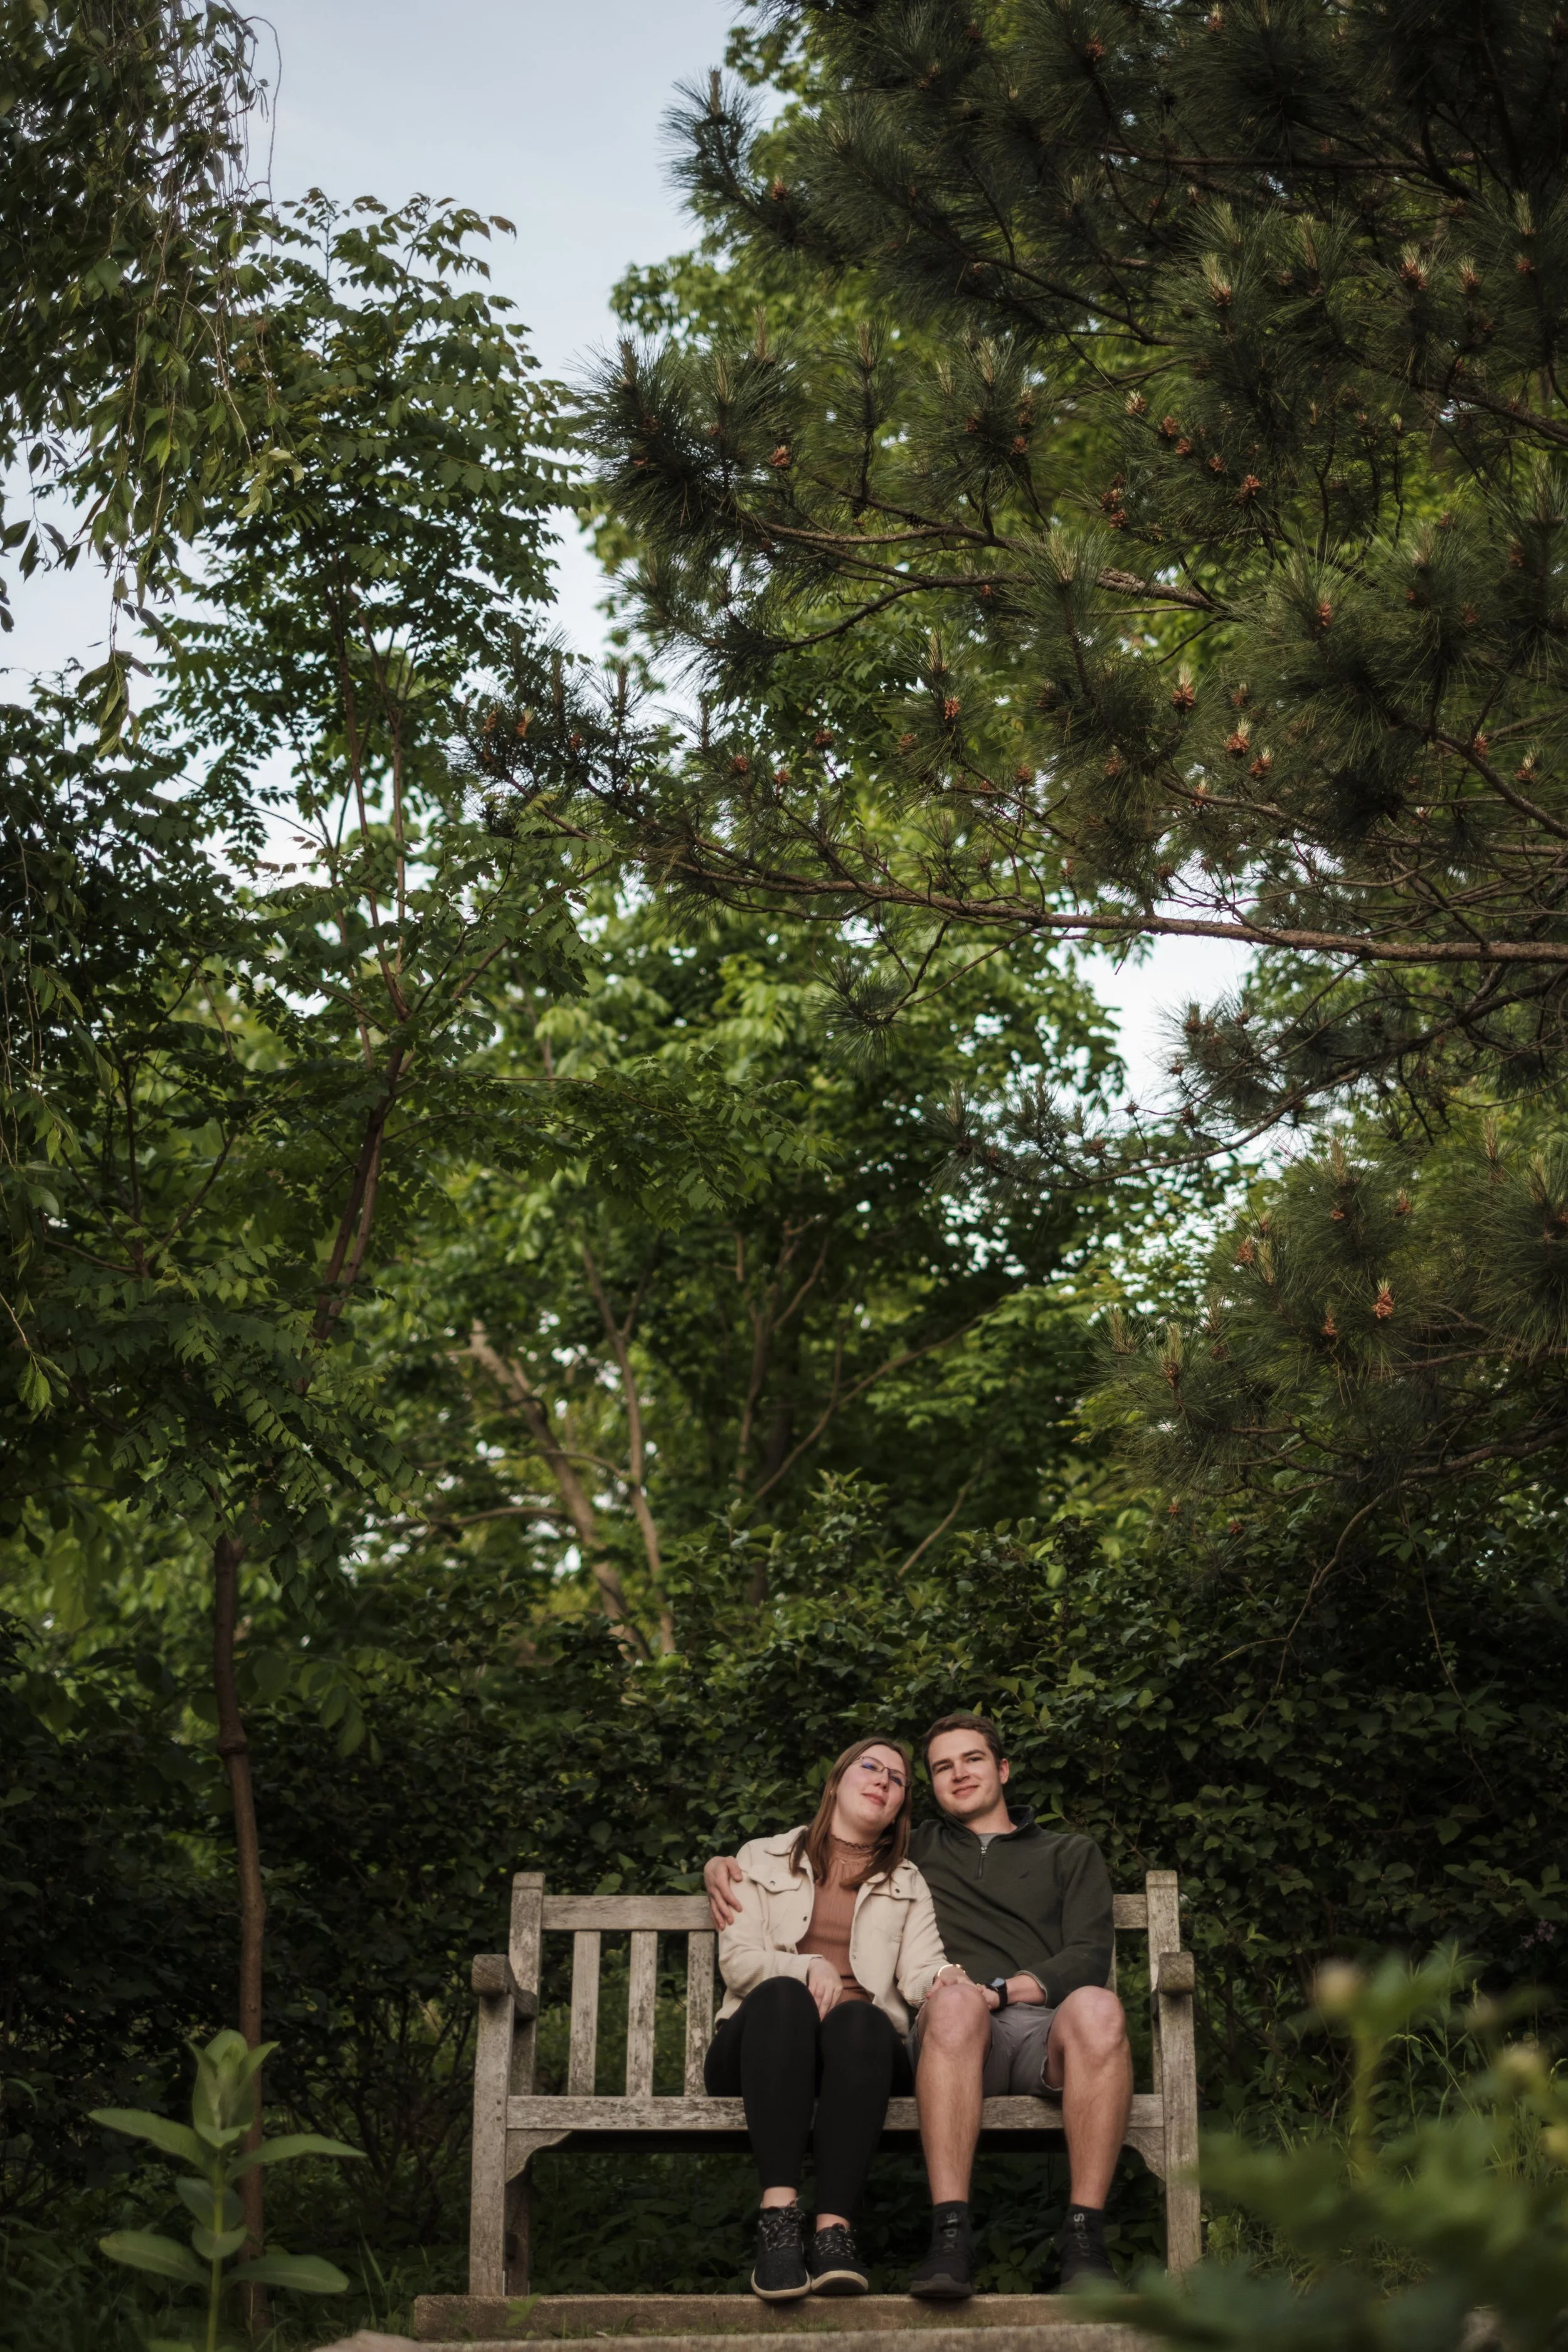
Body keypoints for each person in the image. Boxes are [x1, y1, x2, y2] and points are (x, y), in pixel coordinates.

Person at [706, 1712, 1132, 2298]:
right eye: (940, 1767)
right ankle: (913, 2235)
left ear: (1003, 1769)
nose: (957, 1775)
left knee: (1093, 2009)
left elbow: (1075, 1957)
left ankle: (1082, 2242)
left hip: (1013, 2032)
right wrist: (718, 1867)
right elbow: (757, 1931)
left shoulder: (1036, 1858)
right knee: (827, 1999)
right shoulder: (889, 1850)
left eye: (973, 1760)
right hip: (885, 2034)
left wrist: (979, 1986)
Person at [704, 1735, 948, 2301]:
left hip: (857, 2062)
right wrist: (803, 1964)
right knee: (784, 1995)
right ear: (836, 1782)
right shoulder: (759, 1859)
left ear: (898, 1808)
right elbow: (740, 1964)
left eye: (896, 1778)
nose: (883, 1780)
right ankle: (779, 2223)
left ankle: (834, 2233)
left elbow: (920, 1971)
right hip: (760, 2052)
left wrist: (945, 1982)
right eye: (870, 1766)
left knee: (864, 2019)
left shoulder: (908, 1883)